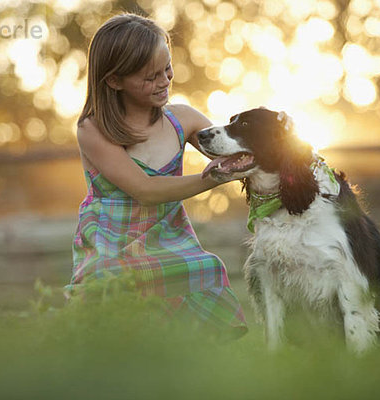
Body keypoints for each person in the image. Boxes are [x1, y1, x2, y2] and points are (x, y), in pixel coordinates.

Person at [66, 13, 247, 338]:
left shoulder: (183, 120)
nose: (164, 81)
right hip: (113, 237)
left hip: (167, 233)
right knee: (109, 280)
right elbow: (145, 189)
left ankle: (206, 352)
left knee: (207, 267)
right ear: (114, 80)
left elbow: (231, 151)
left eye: (167, 69)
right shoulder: (93, 129)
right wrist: (213, 179)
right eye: (150, 77)